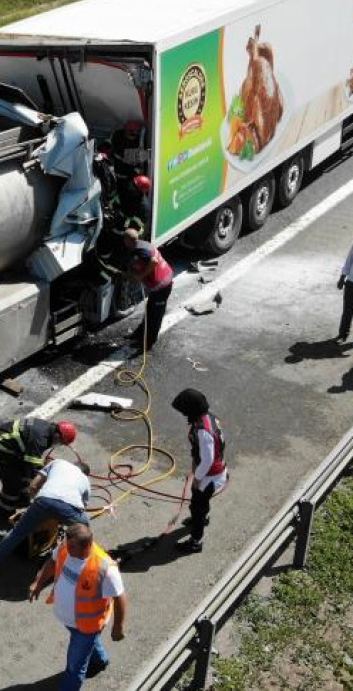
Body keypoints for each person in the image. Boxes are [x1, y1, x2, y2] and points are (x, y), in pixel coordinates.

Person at [28, 523, 128, 691]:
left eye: (71, 546)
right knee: (85, 646)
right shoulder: (66, 547)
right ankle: (100, 660)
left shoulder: (105, 568)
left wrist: (118, 626)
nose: (66, 548)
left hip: (87, 628)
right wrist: (38, 583)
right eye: (67, 544)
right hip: (70, 621)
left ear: (86, 546)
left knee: (75, 667)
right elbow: (52, 562)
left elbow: (120, 596)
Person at [0, 457, 91, 569]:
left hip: (44, 500)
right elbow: (82, 507)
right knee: (84, 531)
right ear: (84, 473)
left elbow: (33, 486)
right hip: (69, 508)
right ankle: (79, 564)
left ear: (73, 463)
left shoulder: (58, 462)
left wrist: (36, 505)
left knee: (17, 533)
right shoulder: (85, 480)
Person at [171, 388, 228, 554]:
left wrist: (196, 478)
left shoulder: (202, 431)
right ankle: (203, 518)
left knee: (197, 508)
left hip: (209, 477)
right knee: (201, 504)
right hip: (214, 472)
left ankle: (196, 541)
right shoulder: (210, 417)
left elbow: (208, 460)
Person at [0, 418, 78, 513]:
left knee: (25, 470)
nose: (60, 445)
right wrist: (45, 482)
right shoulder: (40, 439)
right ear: (58, 436)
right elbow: (33, 468)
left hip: (14, 445)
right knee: (12, 483)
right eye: (62, 442)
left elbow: (31, 463)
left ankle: (22, 496)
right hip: (1, 447)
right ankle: (6, 511)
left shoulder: (48, 429)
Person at [119, 228, 174, 350]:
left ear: (128, 241)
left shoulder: (141, 251)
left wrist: (140, 276)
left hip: (163, 286)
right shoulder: (141, 244)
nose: (123, 242)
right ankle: (139, 334)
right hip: (159, 286)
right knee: (150, 310)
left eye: (124, 239)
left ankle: (148, 343)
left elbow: (154, 261)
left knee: (156, 315)